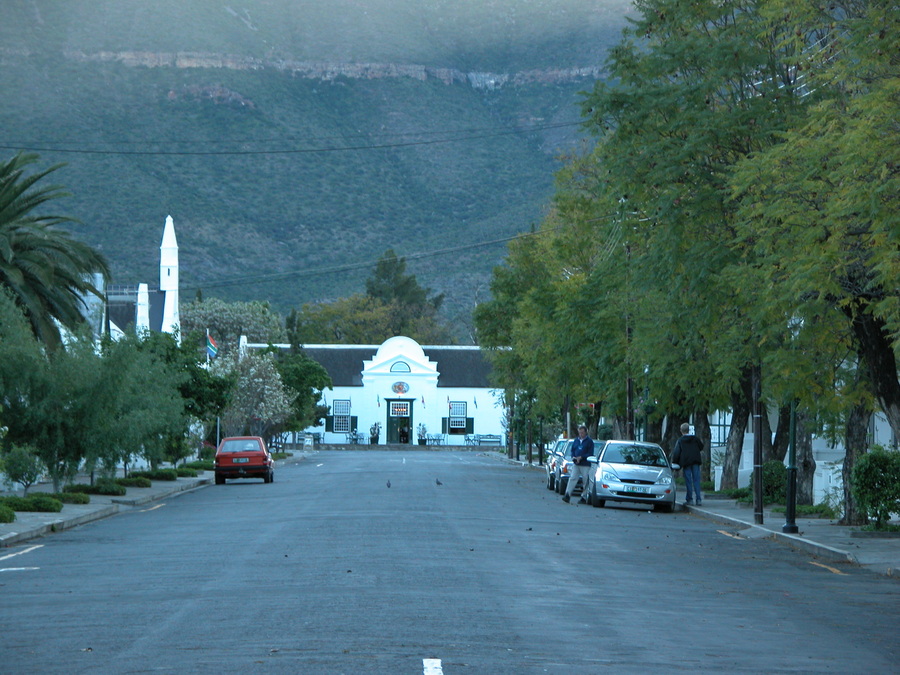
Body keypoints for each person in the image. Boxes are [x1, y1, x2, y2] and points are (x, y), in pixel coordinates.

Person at [672, 422, 704, 506]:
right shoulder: (695, 439)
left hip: (686, 462)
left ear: (681, 431)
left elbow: (676, 453)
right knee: (696, 480)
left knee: (688, 481)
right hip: (696, 461)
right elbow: (701, 446)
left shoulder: (680, 441)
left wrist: (675, 463)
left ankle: (690, 499)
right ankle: (698, 499)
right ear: (689, 430)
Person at [562, 425, 594, 504]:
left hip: (585, 464)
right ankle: (567, 494)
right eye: (580, 433)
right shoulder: (576, 440)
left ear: (586, 432)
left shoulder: (589, 442)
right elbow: (573, 450)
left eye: (582, 433)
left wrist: (582, 457)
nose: (581, 434)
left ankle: (584, 496)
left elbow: (590, 453)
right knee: (572, 478)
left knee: (585, 480)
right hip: (576, 463)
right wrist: (574, 457)